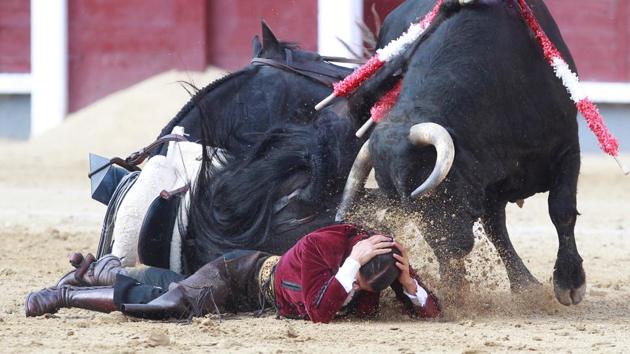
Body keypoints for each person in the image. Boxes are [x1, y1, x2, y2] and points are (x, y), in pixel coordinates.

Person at [25, 224, 440, 323]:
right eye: (358, 279)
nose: (358, 290)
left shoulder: (385, 259)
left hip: (253, 303)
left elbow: (431, 312)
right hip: (237, 274)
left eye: (365, 287)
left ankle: (100, 270)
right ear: (355, 257)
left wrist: (409, 285)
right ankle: (63, 297)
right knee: (171, 305)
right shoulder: (321, 246)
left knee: (169, 286)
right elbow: (319, 311)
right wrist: (350, 269)